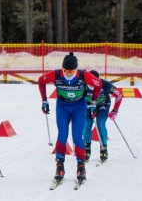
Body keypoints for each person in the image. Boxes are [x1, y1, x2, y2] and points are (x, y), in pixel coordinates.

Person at [38, 52, 101, 183]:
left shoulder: (84, 75)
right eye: (65, 70)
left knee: (77, 136)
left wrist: (93, 103)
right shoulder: (56, 75)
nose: (68, 73)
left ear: (76, 69)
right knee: (62, 134)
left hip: (79, 107)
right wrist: (44, 100)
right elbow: (41, 81)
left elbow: (98, 84)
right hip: (63, 107)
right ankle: (59, 167)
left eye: (71, 70)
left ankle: (81, 167)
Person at [82, 70, 123, 163]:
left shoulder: (105, 84)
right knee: (87, 123)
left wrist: (115, 110)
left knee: (100, 123)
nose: (93, 85)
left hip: (103, 104)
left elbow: (119, 94)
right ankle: (86, 149)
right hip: (87, 105)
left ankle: (103, 148)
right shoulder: (82, 84)